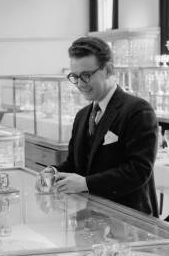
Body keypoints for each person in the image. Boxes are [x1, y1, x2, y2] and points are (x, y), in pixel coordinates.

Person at [49, 36, 159, 216]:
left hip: (129, 221)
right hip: (89, 216)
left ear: (108, 70)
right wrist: (54, 172)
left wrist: (86, 184)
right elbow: (75, 164)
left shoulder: (138, 111)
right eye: (74, 77)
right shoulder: (82, 116)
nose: (80, 84)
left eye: (86, 75)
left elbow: (138, 171)